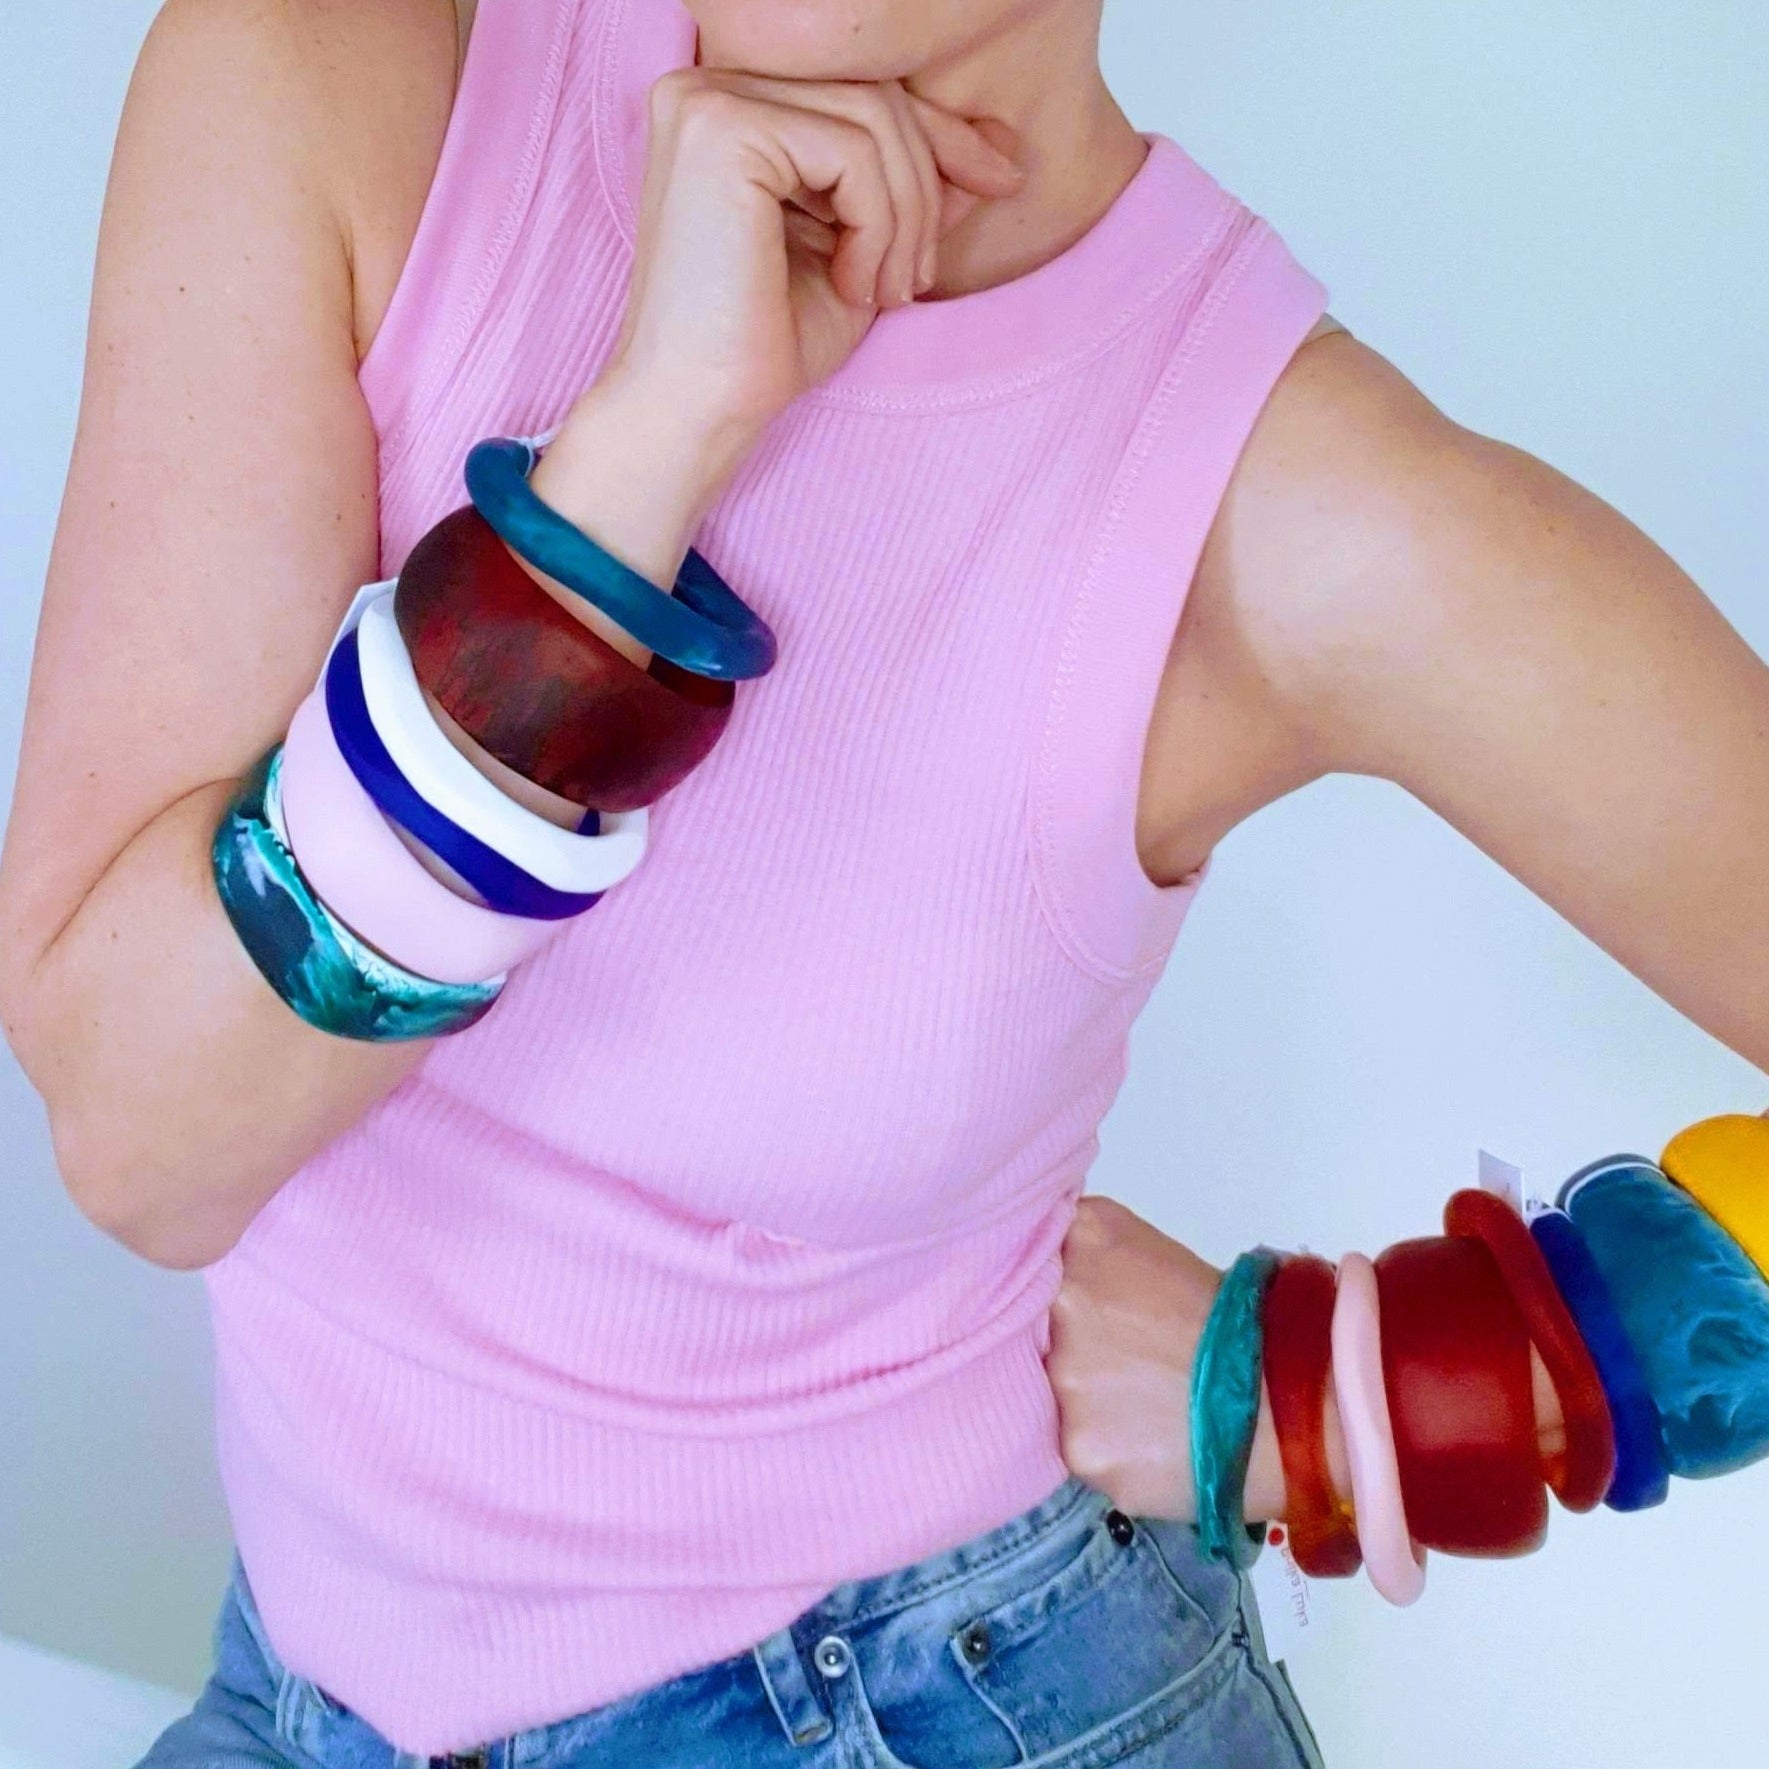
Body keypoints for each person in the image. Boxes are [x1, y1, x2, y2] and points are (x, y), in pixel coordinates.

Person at [1, 0, 1763, 1762]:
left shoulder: (1300, 507)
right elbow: (146, 1145)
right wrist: (630, 473)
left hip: (936, 1704)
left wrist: (1341, 1396)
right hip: (294, 1691)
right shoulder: (344, 78)